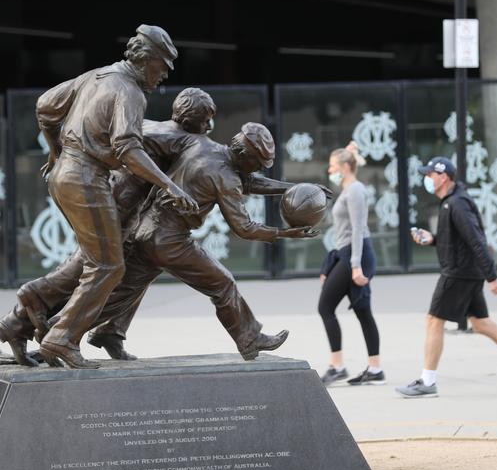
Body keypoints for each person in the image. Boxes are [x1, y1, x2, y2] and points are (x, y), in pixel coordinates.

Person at [0, 87, 216, 366]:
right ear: (191, 118)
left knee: (131, 267)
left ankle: (108, 331)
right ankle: (32, 305)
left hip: (114, 199)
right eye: (207, 118)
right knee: (94, 268)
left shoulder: (150, 125)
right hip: (117, 205)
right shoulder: (181, 140)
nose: (209, 126)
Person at [81, 122, 325, 362]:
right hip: (170, 241)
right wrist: (284, 234)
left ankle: (84, 332)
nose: (258, 169)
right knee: (222, 284)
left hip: (145, 232)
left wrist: (294, 188)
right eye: (258, 164)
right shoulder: (226, 178)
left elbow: (246, 182)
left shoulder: (204, 146)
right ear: (244, 156)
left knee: (123, 293)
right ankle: (249, 339)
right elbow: (245, 228)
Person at [35, 25, 198, 369]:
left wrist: (55, 152)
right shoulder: (130, 91)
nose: (165, 74)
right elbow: (128, 148)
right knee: (108, 265)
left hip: (66, 174)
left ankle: (24, 322)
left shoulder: (96, 76)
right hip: (85, 179)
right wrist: (171, 186)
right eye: (163, 65)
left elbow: (45, 107)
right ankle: (60, 338)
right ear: (146, 59)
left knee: (93, 261)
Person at [396, 156, 497, 398]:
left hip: (459, 273)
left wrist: (492, 276)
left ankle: (427, 381)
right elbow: (458, 240)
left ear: (443, 177)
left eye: (430, 174)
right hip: (467, 271)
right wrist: (432, 239)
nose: (427, 179)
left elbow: (476, 240)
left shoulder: (457, 204)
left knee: (433, 320)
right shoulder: (451, 202)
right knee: (481, 323)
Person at [318, 142, 384, 387]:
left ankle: (338, 367)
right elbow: (345, 233)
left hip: (357, 255)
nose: (329, 171)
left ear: (345, 167)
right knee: (362, 310)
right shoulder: (348, 189)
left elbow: (358, 229)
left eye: (333, 166)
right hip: (346, 254)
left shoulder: (355, 190)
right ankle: (375, 370)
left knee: (325, 306)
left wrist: (355, 266)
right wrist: (330, 265)